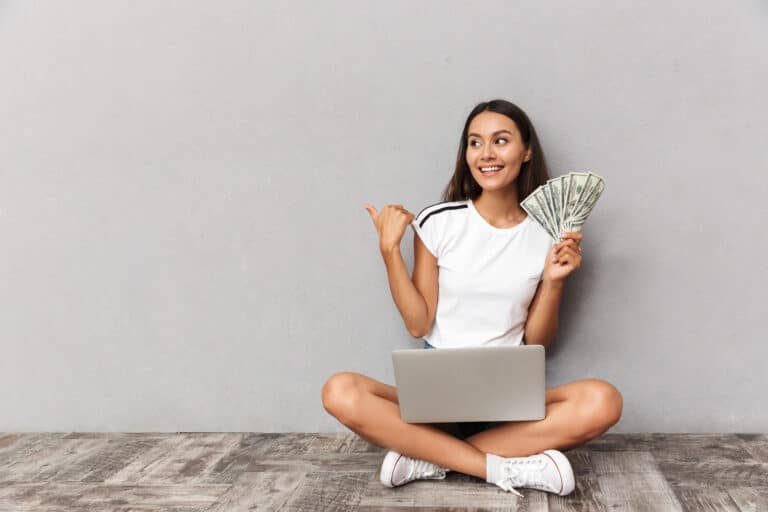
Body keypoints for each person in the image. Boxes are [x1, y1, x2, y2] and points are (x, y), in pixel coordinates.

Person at [321, 99, 623, 498]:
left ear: (526, 150)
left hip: (509, 405)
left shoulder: (545, 234)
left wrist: (554, 281)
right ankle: (500, 468)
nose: (487, 155)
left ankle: (425, 458)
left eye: (501, 141)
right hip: (437, 401)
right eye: (475, 143)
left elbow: (537, 341)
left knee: (603, 400)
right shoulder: (438, 222)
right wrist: (390, 251)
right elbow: (418, 323)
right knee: (339, 390)